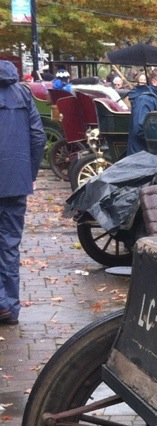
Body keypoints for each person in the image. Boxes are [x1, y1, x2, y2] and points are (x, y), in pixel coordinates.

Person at [0, 60, 45, 326]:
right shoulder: (22, 93)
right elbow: (38, 136)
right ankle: (10, 307)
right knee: (9, 244)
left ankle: (2, 303)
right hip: (16, 180)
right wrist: (30, 173)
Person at [126, 66, 157, 155]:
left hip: (153, 154)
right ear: (154, 82)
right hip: (142, 156)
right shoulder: (145, 100)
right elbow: (140, 129)